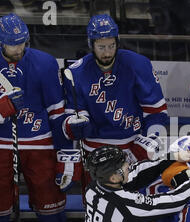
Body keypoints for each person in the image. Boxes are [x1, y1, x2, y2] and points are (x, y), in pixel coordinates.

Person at [0, 13, 75, 222]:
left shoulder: (45, 63)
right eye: (12, 45)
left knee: (52, 211)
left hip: (40, 143)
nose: (19, 49)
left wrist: (65, 157)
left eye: (22, 43)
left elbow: (57, 115)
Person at [62, 14, 169, 190]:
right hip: (94, 150)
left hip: (132, 147)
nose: (107, 52)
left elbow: (157, 113)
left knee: (134, 206)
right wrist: (77, 125)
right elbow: (74, 115)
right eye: (101, 47)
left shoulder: (138, 65)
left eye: (111, 46)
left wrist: (151, 139)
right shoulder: (76, 73)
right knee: (97, 206)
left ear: (117, 42)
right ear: (91, 44)